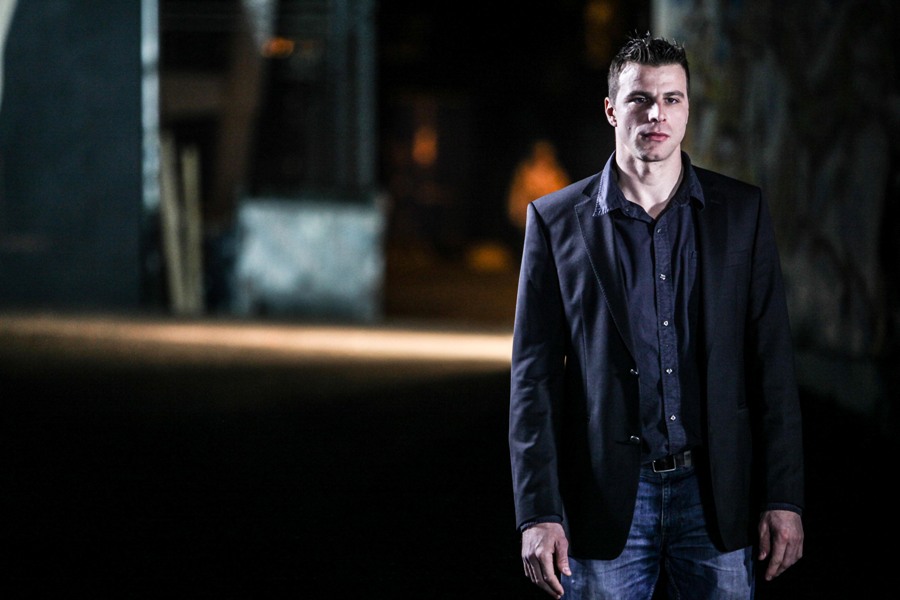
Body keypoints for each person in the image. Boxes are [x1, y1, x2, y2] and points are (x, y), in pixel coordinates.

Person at [508, 33, 804, 599]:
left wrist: (784, 497)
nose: (656, 114)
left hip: (716, 495)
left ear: (688, 109)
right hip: (605, 498)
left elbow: (772, 364)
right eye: (641, 99)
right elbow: (533, 380)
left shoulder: (741, 213)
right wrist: (538, 511)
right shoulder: (555, 221)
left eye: (672, 99)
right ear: (611, 109)